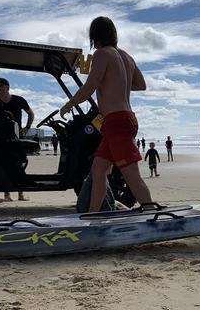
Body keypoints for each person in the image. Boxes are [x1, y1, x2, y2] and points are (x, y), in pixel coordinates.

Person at [59, 16, 153, 212]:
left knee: (131, 175)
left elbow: (89, 88)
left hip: (116, 121)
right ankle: (94, 215)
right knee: (98, 169)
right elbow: (140, 85)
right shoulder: (126, 56)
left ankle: (151, 211)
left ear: (94, 36)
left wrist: (69, 104)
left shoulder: (102, 54)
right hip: (122, 119)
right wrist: (117, 83)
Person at [0, 77, 34, 201]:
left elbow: (30, 113)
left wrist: (27, 127)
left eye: (1, 86)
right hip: (1, 138)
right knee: (4, 164)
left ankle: (21, 194)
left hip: (16, 136)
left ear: (7, 87)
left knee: (20, 163)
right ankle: (7, 195)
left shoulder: (19, 100)